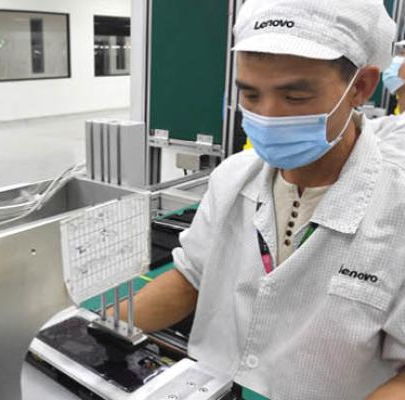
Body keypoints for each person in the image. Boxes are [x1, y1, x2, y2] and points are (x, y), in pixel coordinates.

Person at [119, 1, 405, 399]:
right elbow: (191, 278)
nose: (268, 116)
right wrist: (99, 329)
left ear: (360, 87)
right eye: (251, 95)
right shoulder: (233, 178)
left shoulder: (397, 209)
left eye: (295, 97)